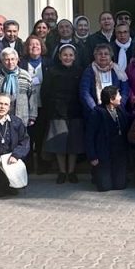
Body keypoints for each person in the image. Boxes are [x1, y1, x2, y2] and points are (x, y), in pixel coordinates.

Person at [41, 44, 86, 184]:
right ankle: (62, 171)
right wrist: (50, 110)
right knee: (59, 144)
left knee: (73, 144)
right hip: (57, 112)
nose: (68, 57)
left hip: (75, 111)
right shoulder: (52, 71)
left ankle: (71, 172)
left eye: (70, 55)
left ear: (74, 56)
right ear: (60, 56)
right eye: (65, 55)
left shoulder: (80, 71)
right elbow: (45, 92)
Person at [85, 86, 129, 191]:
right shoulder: (97, 113)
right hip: (103, 154)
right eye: (118, 95)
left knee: (120, 186)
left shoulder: (121, 110)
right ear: (111, 99)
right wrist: (92, 156)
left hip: (118, 153)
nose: (121, 97)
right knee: (105, 187)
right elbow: (90, 135)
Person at [0, 48, 36, 125]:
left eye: (13, 59)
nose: (10, 62)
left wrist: (32, 116)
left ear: (17, 60)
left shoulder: (25, 76)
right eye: (7, 59)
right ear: (2, 61)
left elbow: (32, 96)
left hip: (20, 118)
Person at [80, 43, 130, 116]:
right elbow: (85, 93)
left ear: (111, 56)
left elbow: (125, 90)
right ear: (95, 56)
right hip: (95, 113)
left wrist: (119, 105)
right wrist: (95, 110)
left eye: (106, 54)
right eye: (100, 54)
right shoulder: (89, 71)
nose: (103, 56)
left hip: (117, 111)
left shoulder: (118, 70)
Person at [23, 35, 47, 172]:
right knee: (28, 136)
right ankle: (29, 165)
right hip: (26, 107)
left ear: (41, 46)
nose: (34, 47)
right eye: (31, 45)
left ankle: (43, 165)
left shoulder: (47, 63)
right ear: (27, 47)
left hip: (43, 105)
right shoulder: (21, 62)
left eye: (37, 44)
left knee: (41, 136)